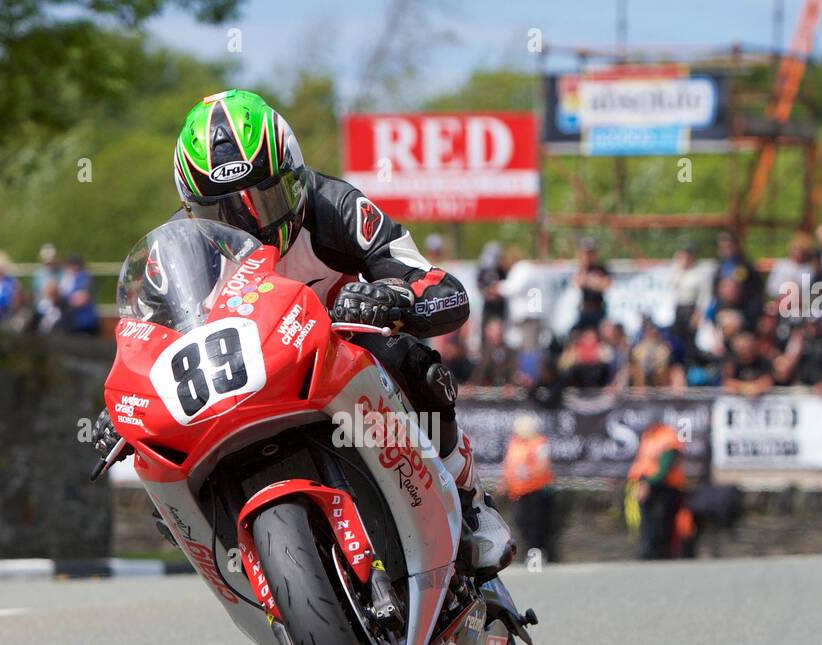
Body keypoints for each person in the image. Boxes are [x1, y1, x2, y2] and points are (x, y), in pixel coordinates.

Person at [92, 88, 513, 578]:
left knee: (414, 363)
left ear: (295, 178)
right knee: (163, 465)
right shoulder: (176, 255)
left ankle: (471, 501)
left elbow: (438, 285)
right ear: (191, 211)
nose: (249, 227)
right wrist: (123, 409)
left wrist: (395, 297)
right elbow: (146, 342)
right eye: (220, 214)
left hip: (337, 356)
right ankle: (239, 563)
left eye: (264, 201)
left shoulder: (336, 207)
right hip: (243, 379)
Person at [628, 421, 686, 560]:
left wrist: (647, 484)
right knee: (645, 519)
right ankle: (647, 551)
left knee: (664, 521)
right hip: (644, 483)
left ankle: (662, 554)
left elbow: (665, 468)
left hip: (665, 486)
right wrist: (640, 482)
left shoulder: (668, 437)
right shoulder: (647, 435)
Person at [501, 415, 556, 562]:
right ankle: (533, 553)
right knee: (521, 522)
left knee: (537, 524)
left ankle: (538, 555)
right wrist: (505, 482)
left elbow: (542, 466)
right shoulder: (515, 443)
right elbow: (509, 465)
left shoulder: (540, 443)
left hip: (536, 490)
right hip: (519, 491)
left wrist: (526, 474)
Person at [572, 237, 611, 331]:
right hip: (583, 311)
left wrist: (587, 280)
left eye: (591, 252)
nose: (588, 255)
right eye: (586, 253)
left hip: (599, 310)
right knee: (574, 336)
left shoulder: (601, 269)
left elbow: (605, 285)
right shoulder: (579, 268)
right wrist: (594, 281)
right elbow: (577, 284)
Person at [60, 255, 99, 334]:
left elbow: (81, 299)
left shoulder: (84, 278)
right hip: (74, 322)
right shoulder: (69, 278)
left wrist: (64, 302)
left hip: (84, 323)